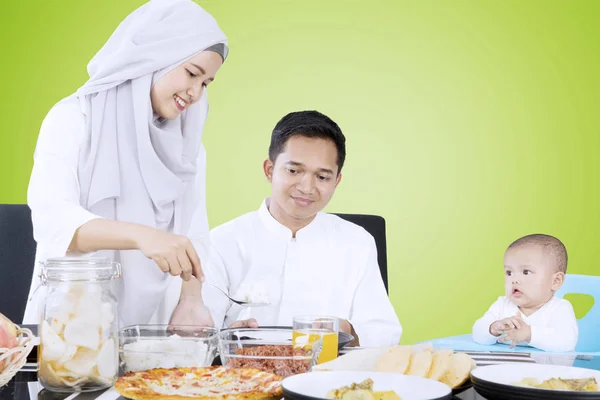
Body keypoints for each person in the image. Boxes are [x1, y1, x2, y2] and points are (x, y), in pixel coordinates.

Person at [24, 0, 228, 327]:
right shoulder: (75, 118)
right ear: (154, 56)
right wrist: (143, 236)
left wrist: (191, 299)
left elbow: (194, 233)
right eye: (192, 73)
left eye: (205, 83)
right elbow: (54, 222)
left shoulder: (188, 144)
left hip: (156, 335)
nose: (195, 93)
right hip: (73, 325)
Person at [202, 111, 402, 347]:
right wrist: (224, 338)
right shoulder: (222, 241)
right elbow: (197, 334)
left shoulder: (357, 242)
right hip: (245, 376)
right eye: (293, 171)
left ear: (336, 181)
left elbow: (384, 332)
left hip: (329, 378)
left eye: (322, 176)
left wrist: (347, 330)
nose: (307, 188)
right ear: (269, 170)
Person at [472, 234, 578, 352]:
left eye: (526, 272)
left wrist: (529, 334)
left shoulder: (559, 308)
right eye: (509, 273)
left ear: (555, 281)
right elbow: (477, 333)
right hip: (506, 365)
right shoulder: (502, 305)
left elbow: (567, 341)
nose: (514, 280)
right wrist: (493, 328)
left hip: (544, 368)